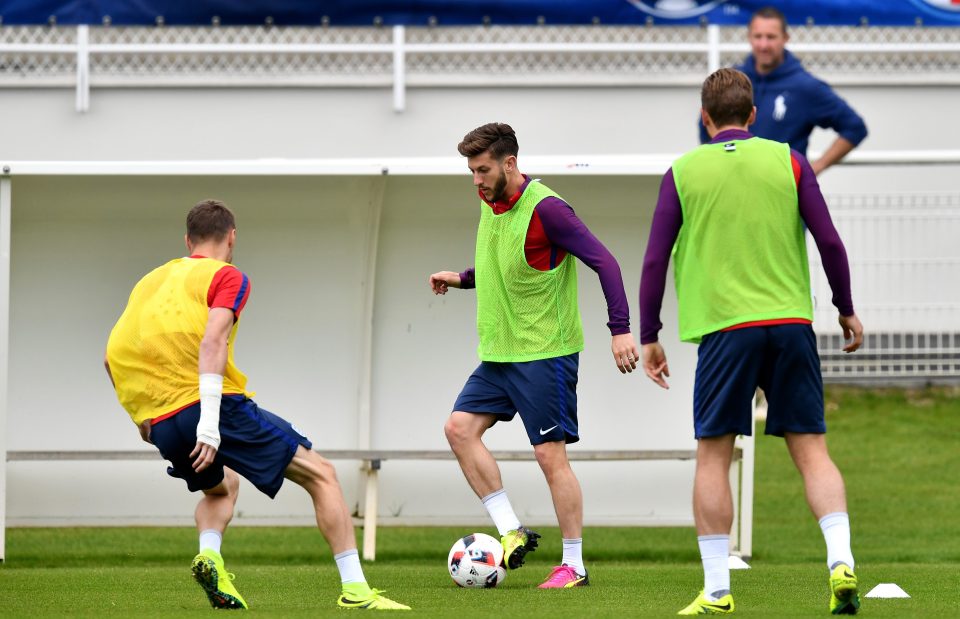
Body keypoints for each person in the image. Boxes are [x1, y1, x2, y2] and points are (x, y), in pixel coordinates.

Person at [105, 200, 409, 611]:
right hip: (211, 408)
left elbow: (112, 355)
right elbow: (213, 341)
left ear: (187, 240)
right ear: (231, 237)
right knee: (322, 474)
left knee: (222, 487)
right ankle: (356, 590)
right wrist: (210, 425)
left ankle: (210, 557)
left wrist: (143, 417)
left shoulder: (150, 281)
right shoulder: (226, 276)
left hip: (161, 419)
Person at [641, 69, 864, 615]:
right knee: (812, 452)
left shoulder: (683, 171)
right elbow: (829, 240)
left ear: (704, 117)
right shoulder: (788, 159)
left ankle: (717, 590)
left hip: (725, 331)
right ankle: (840, 560)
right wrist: (845, 307)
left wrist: (648, 333)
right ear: (754, 115)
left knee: (714, 458)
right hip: (790, 325)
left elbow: (654, 258)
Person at [430, 122, 639, 589]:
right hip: (501, 355)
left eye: (483, 169)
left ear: (510, 164)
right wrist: (462, 278)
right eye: (470, 171)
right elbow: (505, 266)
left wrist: (620, 331)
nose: (476, 180)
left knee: (550, 458)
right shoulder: (491, 203)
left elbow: (606, 262)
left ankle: (574, 566)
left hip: (546, 354)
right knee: (458, 430)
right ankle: (510, 531)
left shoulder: (549, 209)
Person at [699, 6, 868, 175]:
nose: (763, 45)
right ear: (749, 37)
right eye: (758, 36)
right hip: (733, 189)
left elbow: (855, 127)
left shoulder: (805, 87)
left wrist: (815, 168)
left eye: (771, 37)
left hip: (782, 194)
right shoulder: (733, 81)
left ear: (785, 38)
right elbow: (705, 125)